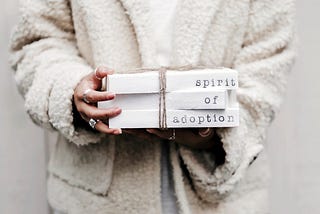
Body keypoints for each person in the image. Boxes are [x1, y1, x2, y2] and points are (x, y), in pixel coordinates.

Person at [9, 0, 296, 213]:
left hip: (224, 198)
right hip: (94, 196)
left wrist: (217, 134)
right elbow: (39, 39)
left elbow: (268, 61)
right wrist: (72, 90)